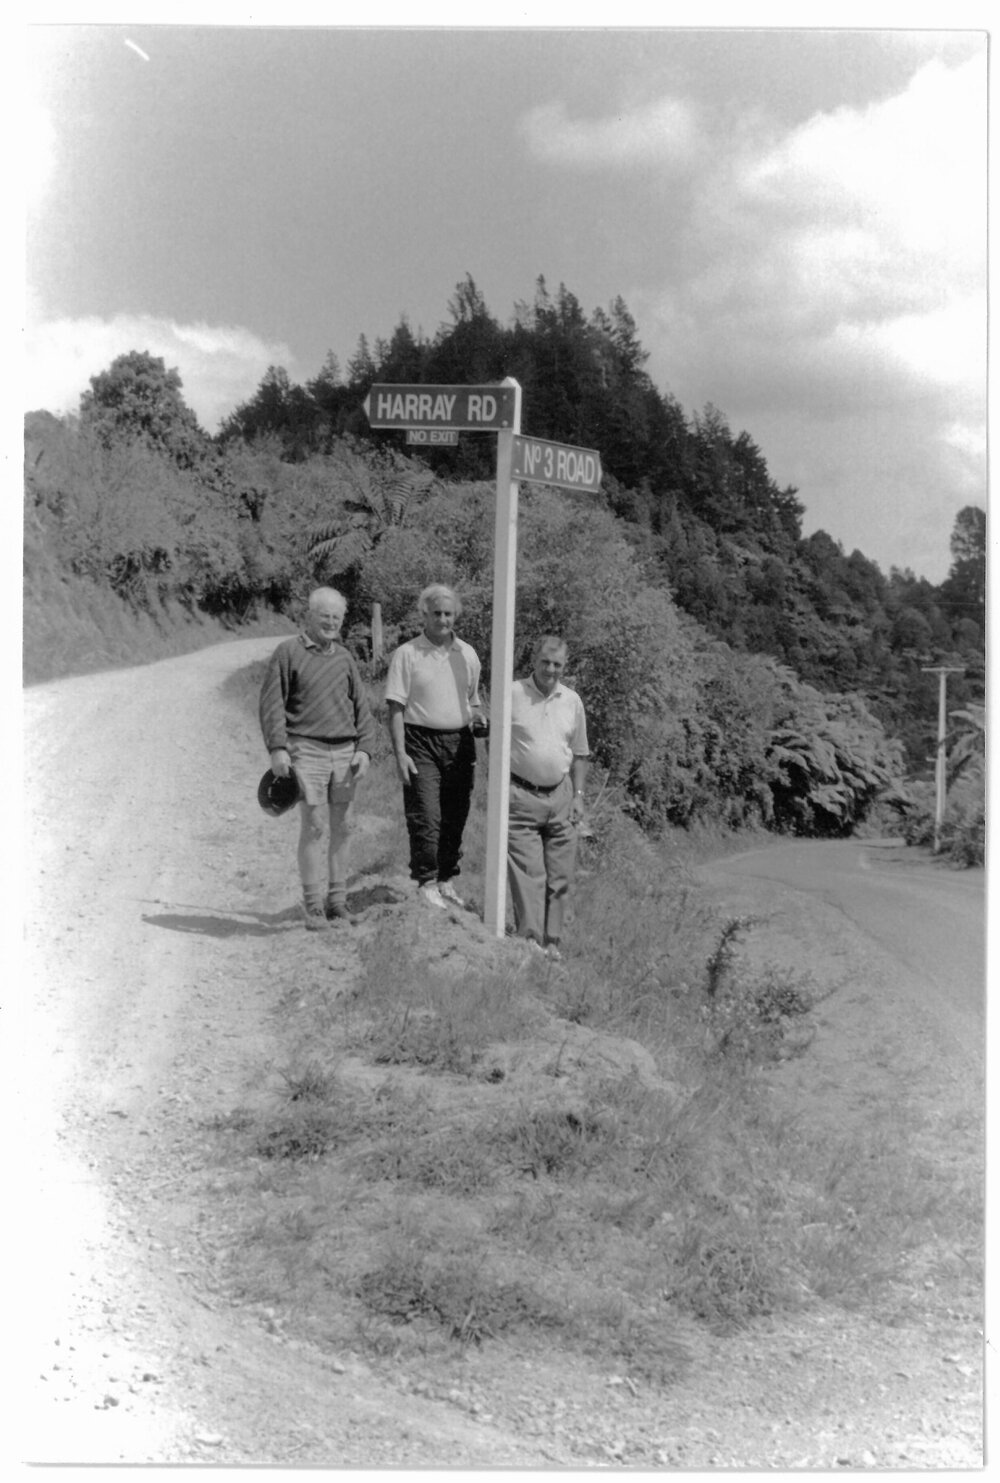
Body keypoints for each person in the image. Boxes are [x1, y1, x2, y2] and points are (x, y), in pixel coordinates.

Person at [259, 587, 378, 931]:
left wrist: (365, 749)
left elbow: (362, 710)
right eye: (323, 616)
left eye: (336, 617)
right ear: (309, 617)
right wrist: (278, 748)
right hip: (305, 749)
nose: (329, 622)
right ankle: (313, 906)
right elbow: (271, 704)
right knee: (314, 826)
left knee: (345, 826)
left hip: (345, 751)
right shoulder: (288, 652)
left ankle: (337, 902)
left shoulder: (344, 658)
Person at [384, 584, 484, 908]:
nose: (443, 619)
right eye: (437, 613)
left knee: (455, 816)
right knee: (427, 815)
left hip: (459, 742)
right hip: (420, 741)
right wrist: (400, 754)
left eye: (448, 613)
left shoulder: (467, 654)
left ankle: (446, 880)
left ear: (456, 616)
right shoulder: (407, 654)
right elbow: (396, 708)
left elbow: (474, 701)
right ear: (424, 614)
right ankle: (426, 881)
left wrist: (479, 720)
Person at [506, 635, 590, 960]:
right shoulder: (512, 693)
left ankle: (552, 943)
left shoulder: (572, 701)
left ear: (563, 667)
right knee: (529, 872)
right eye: (545, 662)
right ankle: (529, 938)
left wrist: (579, 797)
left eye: (557, 664)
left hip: (562, 796)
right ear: (534, 661)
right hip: (521, 795)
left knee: (561, 875)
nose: (550, 669)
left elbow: (580, 754)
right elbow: (494, 741)